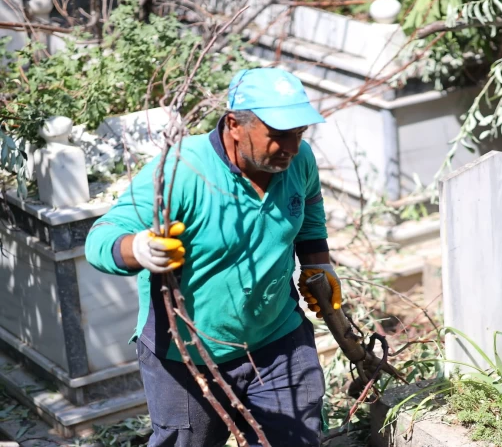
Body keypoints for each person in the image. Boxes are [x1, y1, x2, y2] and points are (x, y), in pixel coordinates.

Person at [84, 68, 342, 447]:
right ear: (235, 124)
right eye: (278, 135)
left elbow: (310, 218)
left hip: (276, 336)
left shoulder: (298, 161)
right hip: (188, 353)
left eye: (299, 133)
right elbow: (100, 239)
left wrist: (319, 264)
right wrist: (140, 248)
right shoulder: (183, 171)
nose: (291, 146)